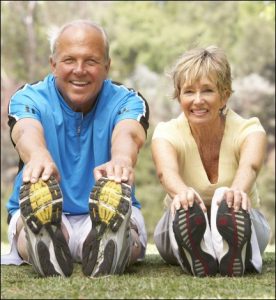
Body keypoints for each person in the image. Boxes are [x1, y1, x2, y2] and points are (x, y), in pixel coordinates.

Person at [1, 19, 149, 278]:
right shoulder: (28, 97)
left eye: (91, 61)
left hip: (107, 211)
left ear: (107, 66)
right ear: (53, 64)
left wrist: (122, 159)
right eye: (69, 60)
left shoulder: (128, 100)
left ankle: (115, 241)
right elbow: (25, 130)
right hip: (46, 209)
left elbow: (129, 132)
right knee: (32, 226)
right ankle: (43, 237)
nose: (79, 70)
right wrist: (38, 156)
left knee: (127, 230)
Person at [152, 46, 271, 277]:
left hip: (243, 217)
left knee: (224, 198)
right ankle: (198, 247)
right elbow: (166, 172)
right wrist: (183, 193)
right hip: (179, 218)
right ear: (179, 96)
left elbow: (251, 166)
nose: (197, 101)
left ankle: (232, 244)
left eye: (207, 91)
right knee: (185, 207)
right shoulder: (166, 133)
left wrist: (235, 193)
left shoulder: (250, 129)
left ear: (225, 95)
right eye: (188, 92)